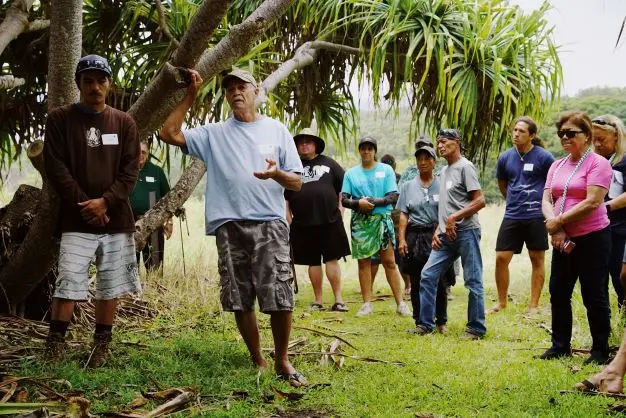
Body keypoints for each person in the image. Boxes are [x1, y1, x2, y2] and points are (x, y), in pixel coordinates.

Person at [158, 68, 308, 387]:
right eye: (229, 89)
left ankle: (282, 359)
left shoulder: (277, 130)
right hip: (229, 225)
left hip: (270, 223)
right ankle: (259, 359)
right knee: (239, 296)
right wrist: (191, 95)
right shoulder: (214, 134)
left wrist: (277, 174)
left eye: (242, 86)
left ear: (256, 92)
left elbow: (297, 182)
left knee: (280, 294)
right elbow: (168, 133)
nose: (236, 92)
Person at [43, 54, 141, 367]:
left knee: (109, 285)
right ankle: (55, 345)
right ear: (78, 84)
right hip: (76, 219)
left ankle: (100, 346)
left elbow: (130, 171)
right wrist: (86, 204)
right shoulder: (59, 119)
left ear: (109, 85)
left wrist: (106, 202)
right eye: (88, 81)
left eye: (101, 81)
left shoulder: (124, 122)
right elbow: (56, 168)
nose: (95, 87)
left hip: (116, 220)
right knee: (68, 282)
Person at [539, 111, 613, 365]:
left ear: (587, 136)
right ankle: (560, 345)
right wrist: (555, 227)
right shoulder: (556, 165)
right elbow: (547, 199)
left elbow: (593, 201)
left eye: (571, 133)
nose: (565, 138)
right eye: (562, 134)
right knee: (558, 292)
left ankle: (600, 350)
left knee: (595, 294)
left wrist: (559, 221)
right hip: (562, 240)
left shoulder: (598, 164)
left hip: (592, 239)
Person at [413, 129, 486, 339]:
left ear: (457, 142)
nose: (440, 146)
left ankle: (476, 328)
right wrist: (439, 228)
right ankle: (425, 324)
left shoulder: (466, 167)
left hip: (467, 232)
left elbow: (480, 200)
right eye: (438, 143)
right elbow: (446, 206)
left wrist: (455, 218)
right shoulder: (444, 172)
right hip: (446, 236)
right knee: (427, 275)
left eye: (444, 142)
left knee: (473, 280)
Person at [488, 116, 554, 314]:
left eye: (521, 131)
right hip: (513, 214)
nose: (516, 134)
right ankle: (501, 302)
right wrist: (514, 200)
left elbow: (552, 184)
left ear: (531, 135)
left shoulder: (544, 157)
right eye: (515, 130)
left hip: (536, 215)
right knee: (501, 257)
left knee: (536, 258)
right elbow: (503, 184)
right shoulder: (505, 157)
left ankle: (534, 305)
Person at [341, 136, 411, 317]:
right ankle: (366, 304)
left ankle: (401, 303)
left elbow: (393, 196)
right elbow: (344, 199)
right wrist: (358, 203)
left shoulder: (386, 170)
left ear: (375, 151)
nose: (366, 151)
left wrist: (372, 201)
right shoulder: (351, 173)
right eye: (363, 148)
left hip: (381, 219)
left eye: (370, 148)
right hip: (360, 222)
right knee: (364, 262)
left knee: (389, 261)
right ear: (359, 151)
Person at [285, 128, 350, 312]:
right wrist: (287, 216)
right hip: (303, 223)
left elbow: (343, 187)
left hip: (330, 220)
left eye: (309, 141)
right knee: (312, 261)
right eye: (301, 142)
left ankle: (338, 300)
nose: (304, 145)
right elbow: (286, 196)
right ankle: (318, 300)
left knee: (332, 259)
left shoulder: (329, 163)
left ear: (315, 145)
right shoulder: (293, 167)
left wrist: (341, 209)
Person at [397, 143, 449, 333]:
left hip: (436, 234)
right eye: (420, 159)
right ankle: (420, 320)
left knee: (440, 278)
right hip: (414, 235)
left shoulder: (442, 184)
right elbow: (404, 214)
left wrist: (442, 231)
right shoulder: (408, 186)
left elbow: (446, 211)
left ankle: (441, 320)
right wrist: (402, 239)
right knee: (416, 279)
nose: (423, 162)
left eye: (427, 158)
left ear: (434, 161)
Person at [592, 115, 626, 309]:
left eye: (602, 140)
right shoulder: (595, 162)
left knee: (620, 275)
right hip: (600, 228)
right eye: (594, 140)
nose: (597, 144)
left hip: (620, 228)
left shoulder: (623, 160)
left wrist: (604, 207)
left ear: (616, 137)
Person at [370, 154, 411, 296]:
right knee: (374, 257)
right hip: (380, 221)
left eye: (390, 163)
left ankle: (408, 285)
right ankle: (368, 286)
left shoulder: (400, 179)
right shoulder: (378, 179)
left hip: (398, 223)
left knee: (401, 257)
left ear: (394, 165)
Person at [130, 140, 173, 272]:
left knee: (154, 264)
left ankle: (154, 287)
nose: (140, 155)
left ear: (147, 154)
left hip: (153, 222)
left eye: (143, 152)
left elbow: (168, 199)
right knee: (130, 264)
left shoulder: (156, 171)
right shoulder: (126, 170)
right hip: (130, 223)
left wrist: (169, 221)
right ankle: (132, 290)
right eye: (138, 152)